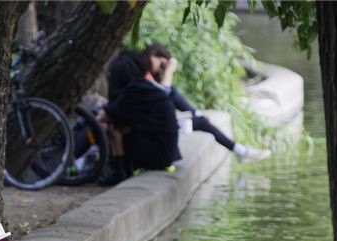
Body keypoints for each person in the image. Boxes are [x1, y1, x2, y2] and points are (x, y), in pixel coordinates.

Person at [141, 43, 271, 163]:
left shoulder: (148, 75)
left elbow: (166, 96)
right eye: (162, 64)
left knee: (176, 96)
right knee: (200, 121)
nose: (161, 70)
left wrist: (195, 114)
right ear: (152, 55)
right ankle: (241, 151)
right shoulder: (141, 75)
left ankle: (240, 150)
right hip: (148, 130)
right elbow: (159, 99)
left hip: (156, 125)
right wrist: (168, 73)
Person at [97, 50, 181, 184]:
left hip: (159, 154)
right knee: (118, 124)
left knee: (113, 127)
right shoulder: (143, 87)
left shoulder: (133, 90)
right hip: (166, 151)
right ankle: (121, 169)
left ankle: (119, 171)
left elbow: (102, 117)